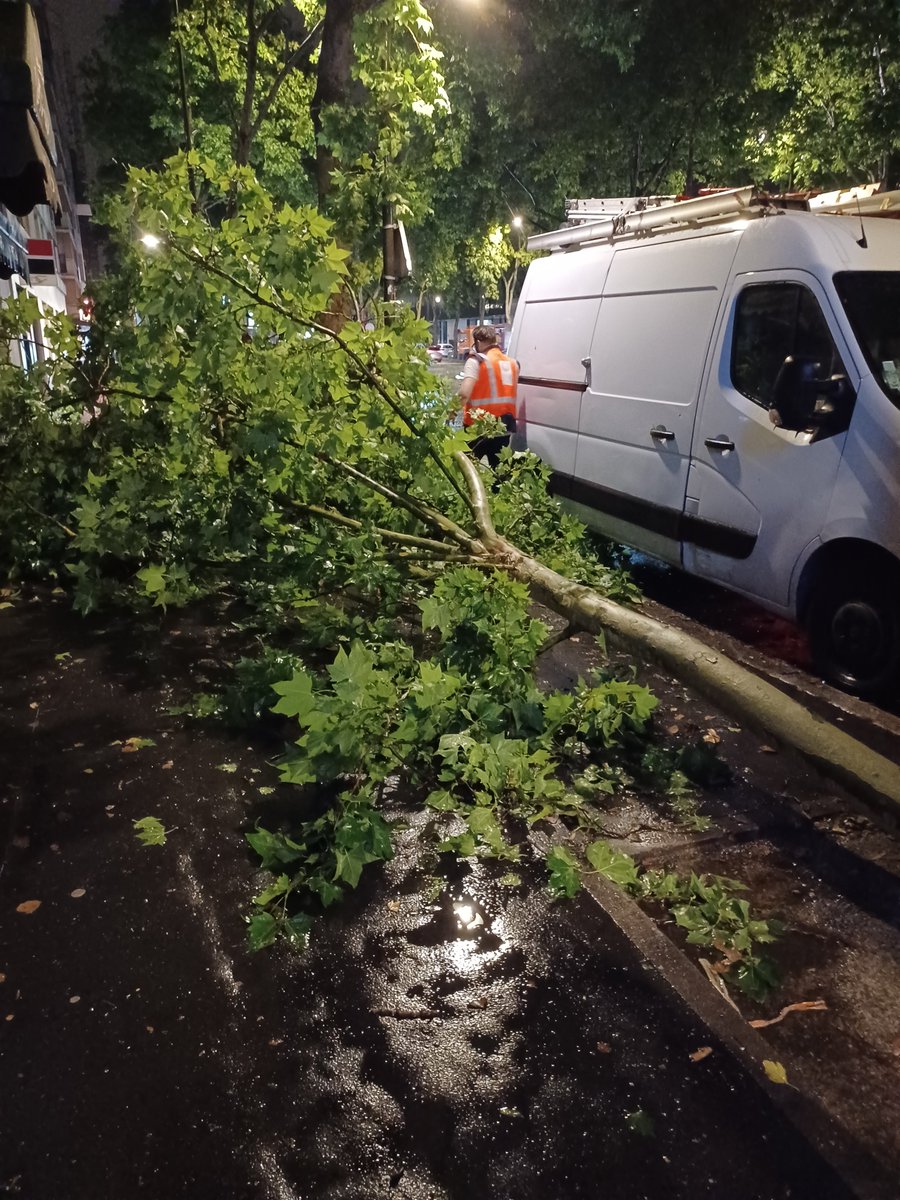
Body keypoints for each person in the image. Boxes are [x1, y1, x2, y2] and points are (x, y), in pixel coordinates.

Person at [458, 325, 519, 468]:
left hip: (477, 428)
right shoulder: (513, 364)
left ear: (478, 342)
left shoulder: (476, 361)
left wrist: (451, 412)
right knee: (499, 476)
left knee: (466, 473)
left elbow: (464, 394)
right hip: (503, 428)